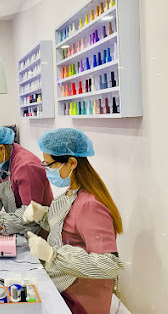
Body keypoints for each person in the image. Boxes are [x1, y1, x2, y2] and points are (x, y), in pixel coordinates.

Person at [23, 128, 123, 314]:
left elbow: (108, 265)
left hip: (82, 300)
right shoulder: (73, 192)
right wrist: (43, 215)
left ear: (72, 162)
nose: (46, 170)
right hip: (64, 286)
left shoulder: (91, 205)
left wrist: (54, 255)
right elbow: (68, 229)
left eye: (49, 165)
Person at [0, 123, 53, 236]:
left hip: (38, 233)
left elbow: (31, 212)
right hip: (18, 229)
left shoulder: (26, 167)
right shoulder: (2, 160)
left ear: (1, 149)